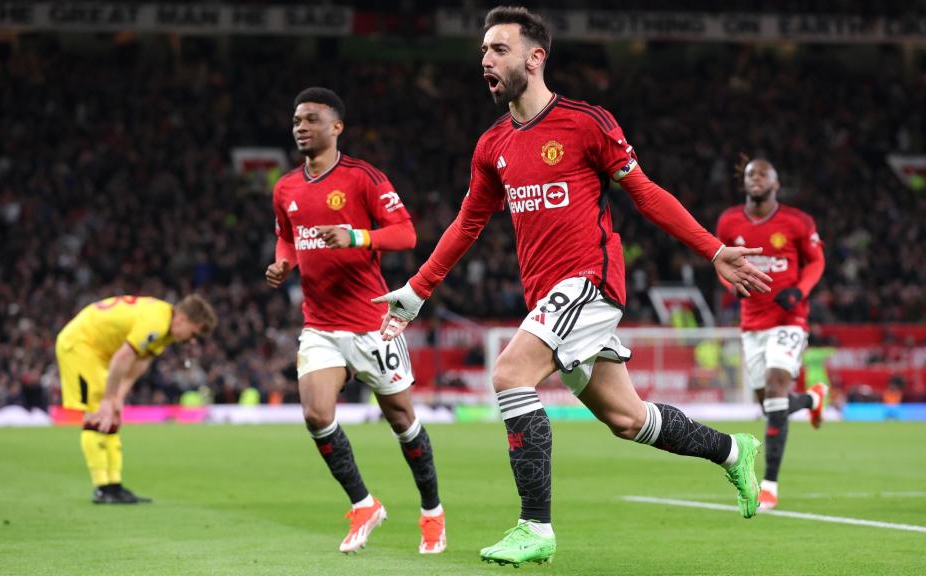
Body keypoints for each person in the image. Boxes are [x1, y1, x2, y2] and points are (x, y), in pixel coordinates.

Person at [372, 6, 773, 567]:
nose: (485, 60)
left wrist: (711, 248)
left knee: (510, 374)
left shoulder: (587, 123)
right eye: (483, 50)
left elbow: (646, 193)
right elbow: (468, 223)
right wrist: (416, 291)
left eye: (499, 49)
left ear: (535, 58)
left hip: (590, 281)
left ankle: (535, 527)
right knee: (627, 419)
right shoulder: (492, 147)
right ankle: (734, 450)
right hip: (550, 297)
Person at [265, 87, 446, 555]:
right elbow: (288, 239)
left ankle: (432, 512)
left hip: (371, 323)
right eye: (296, 121)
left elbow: (406, 234)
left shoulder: (363, 177)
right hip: (320, 324)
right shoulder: (285, 188)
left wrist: (355, 235)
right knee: (315, 414)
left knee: (403, 421)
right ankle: (364, 505)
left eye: (310, 119)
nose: (301, 127)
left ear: (336, 127)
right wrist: (283, 262)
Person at [716, 157, 828, 510]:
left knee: (778, 386)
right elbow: (720, 261)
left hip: (790, 319)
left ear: (776, 183)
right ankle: (812, 399)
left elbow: (816, 261)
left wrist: (801, 291)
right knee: (770, 405)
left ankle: (769, 485)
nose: (756, 178)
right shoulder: (729, 221)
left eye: (763, 173)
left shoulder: (797, 221)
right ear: (744, 182)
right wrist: (729, 282)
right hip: (752, 323)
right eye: (750, 174)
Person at [56, 294, 217, 504]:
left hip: (98, 350)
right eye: (193, 333)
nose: (191, 341)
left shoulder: (166, 328)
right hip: (80, 344)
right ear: (182, 319)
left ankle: (113, 485)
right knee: (97, 412)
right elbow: (123, 357)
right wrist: (108, 399)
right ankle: (102, 488)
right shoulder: (156, 322)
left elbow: (141, 361)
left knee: (112, 416)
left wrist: (118, 397)